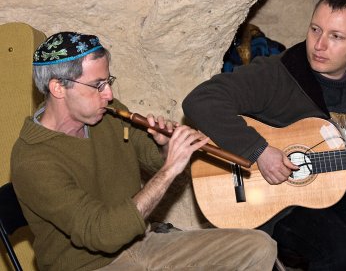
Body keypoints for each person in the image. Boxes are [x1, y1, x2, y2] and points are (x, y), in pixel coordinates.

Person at [10, 32, 277, 271]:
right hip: (90, 265)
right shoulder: (33, 160)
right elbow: (103, 233)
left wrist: (164, 145)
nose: (109, 94)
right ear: (58, 87)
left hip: (143, 244)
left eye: (109, 81)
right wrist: (171, 168)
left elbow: (150, 159)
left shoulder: (107, 115)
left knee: (258, 247)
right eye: (98, 85)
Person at [183, 0, 346, 271]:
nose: (319, 45)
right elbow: (200, 101)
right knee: (343, 255)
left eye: (336, 36)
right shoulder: (280, 73)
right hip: (288, 205)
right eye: (315, 30)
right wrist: (258, 150)